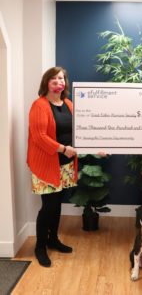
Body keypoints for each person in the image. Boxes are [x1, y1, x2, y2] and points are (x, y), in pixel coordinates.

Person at [27, 66, 78, 267]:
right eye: (54, 79)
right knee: (48, 207)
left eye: (62, 78)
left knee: (57, 205)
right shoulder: (39, 105)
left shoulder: (68, 103)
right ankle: (40, 246)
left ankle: (53, 240)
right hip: (46, 164)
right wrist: (62, 148)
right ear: (46, 82)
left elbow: (79, 130)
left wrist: (93, 146)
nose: (59, 82)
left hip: (64, 165)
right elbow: (39, 137)